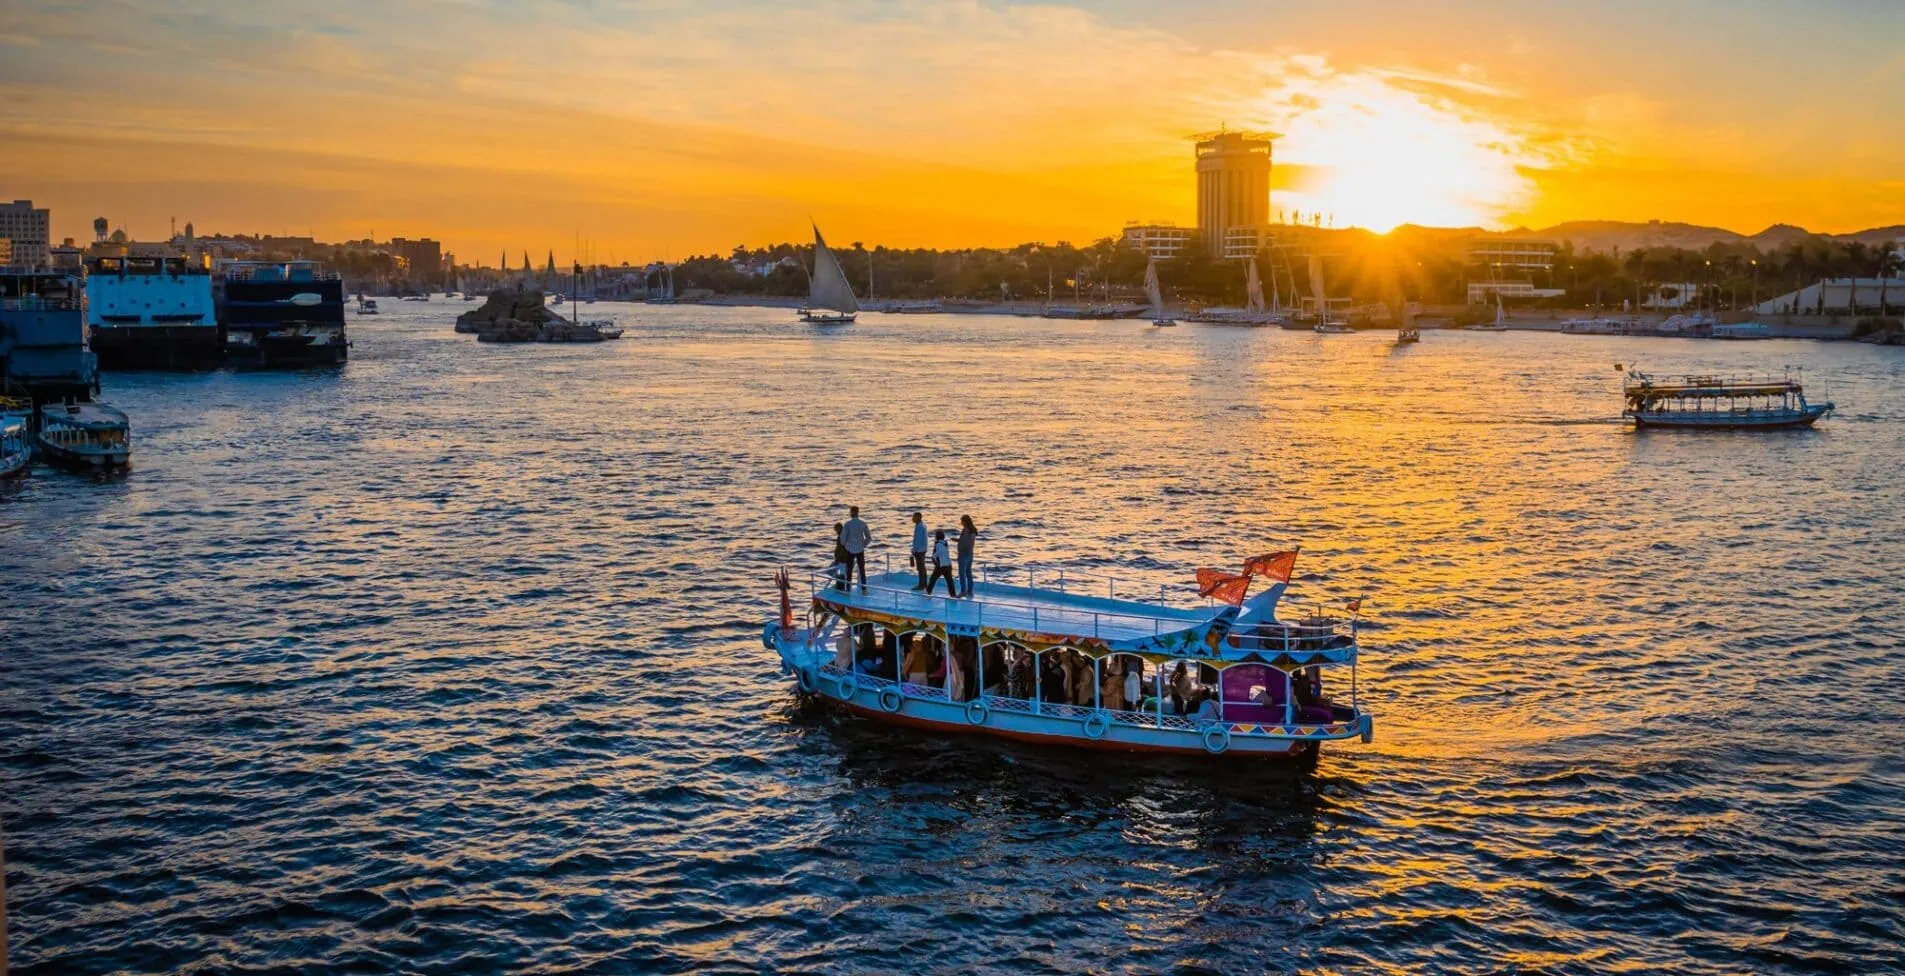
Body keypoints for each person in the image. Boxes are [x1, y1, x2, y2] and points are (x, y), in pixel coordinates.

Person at [840, 506, 871, 590]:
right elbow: (869, 538)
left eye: (851, 512)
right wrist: (863, 545)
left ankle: (848, 589)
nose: (850, 513)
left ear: (852, 512)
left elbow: (842, 539)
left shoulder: (847, 524)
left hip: (849, 550)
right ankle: (864, 589)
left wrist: (845, 545)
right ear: (858, 512)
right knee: (862, 570)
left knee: (849, 570)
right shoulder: (862, 523)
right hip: (860, 550)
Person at [925, 529, 958, 595]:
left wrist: (933, 557)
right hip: (948, 564)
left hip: (941, 565)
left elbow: (938, 552)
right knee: (949, 581)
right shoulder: (945, 543)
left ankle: (928, 592)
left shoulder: (938, 544)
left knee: (933, 579)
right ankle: (953, 594)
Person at [956, 515, 978, 598]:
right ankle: (970, 590)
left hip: (963, 554)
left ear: (965, 521)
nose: (961, 523)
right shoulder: (973, 530)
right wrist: (957, 540)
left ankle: (963, 591)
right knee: (969, 573)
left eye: (962, 521)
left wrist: (960, 548)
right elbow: (967, 541)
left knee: (962, 573)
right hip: (970, 554)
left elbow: (963, 542)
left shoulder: (965, 530)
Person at [909, 511, 929, 590]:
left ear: (918, 517)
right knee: (922, 568)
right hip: (922, 549)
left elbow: (918, 539)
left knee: (921, 568)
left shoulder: (919, 526)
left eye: (914, 517)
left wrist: (914, 550)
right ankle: (924, 584)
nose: (912, 518)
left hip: (919, 550)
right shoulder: (922, 525)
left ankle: (922, 585)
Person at [830, 522, 849, 592]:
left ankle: (840, 587)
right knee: (840, 573)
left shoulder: (842, 537)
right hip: (842, 559)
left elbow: (842, 550)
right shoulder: (844, 536)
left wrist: (838, 559)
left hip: (842, 560)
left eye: (836, 530)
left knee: (841, 574)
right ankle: (840, 585)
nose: (836, 532)